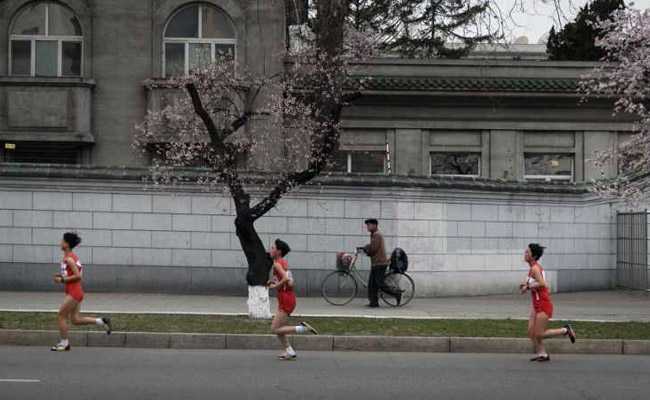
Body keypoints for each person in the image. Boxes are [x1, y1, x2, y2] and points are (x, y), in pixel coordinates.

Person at [51, 232, 111, 351]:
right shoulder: (72, 257)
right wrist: (62, 276)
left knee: (61, 315)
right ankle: (101, 321)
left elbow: (78, 276)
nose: (60, 242)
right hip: (75, 292)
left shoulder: (69, 259)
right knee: (75, 320)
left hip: (74, 292)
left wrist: (62, 279)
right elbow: (75, 273)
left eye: (62, 241)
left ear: (67, 244)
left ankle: (64, 344)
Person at [520, 243, 576, 362]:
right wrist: (525, 286)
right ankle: (542, 354)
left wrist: (528, 286)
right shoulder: (532, 268)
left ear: (533, 257)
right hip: (536, 304)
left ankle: (565, 330)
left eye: (527, 252)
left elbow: (542, 284)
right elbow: (536, 284)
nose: (525, 254)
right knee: (531, 332)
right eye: (525, 252)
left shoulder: (535, 268)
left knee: (539, 334)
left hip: (543, 304)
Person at [267, 238, 318, 360]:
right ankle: (289, 351)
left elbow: (285, 279)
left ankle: (303, 328)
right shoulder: (283, 262)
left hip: (286, 299)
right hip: (288, 297)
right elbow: (290, 281)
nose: (270, 249)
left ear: (278, 251)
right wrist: (273, 281)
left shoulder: (277, 263)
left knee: (275, 329)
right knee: (280, 329)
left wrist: (275, 286)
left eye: (273, 248)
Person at [360, 218, 398, 308]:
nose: (367, 227)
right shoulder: (373, 235)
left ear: (375, 225)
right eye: (367, 225)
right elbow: (372, 246)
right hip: (375, 263)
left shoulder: (377, 235)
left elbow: (374, 249)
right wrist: (365, 247)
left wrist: (366, 251)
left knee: (379, 284)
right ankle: (374, 302)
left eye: (369, 225)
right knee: (371, 285)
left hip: (380, 263)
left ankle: (396, 294)